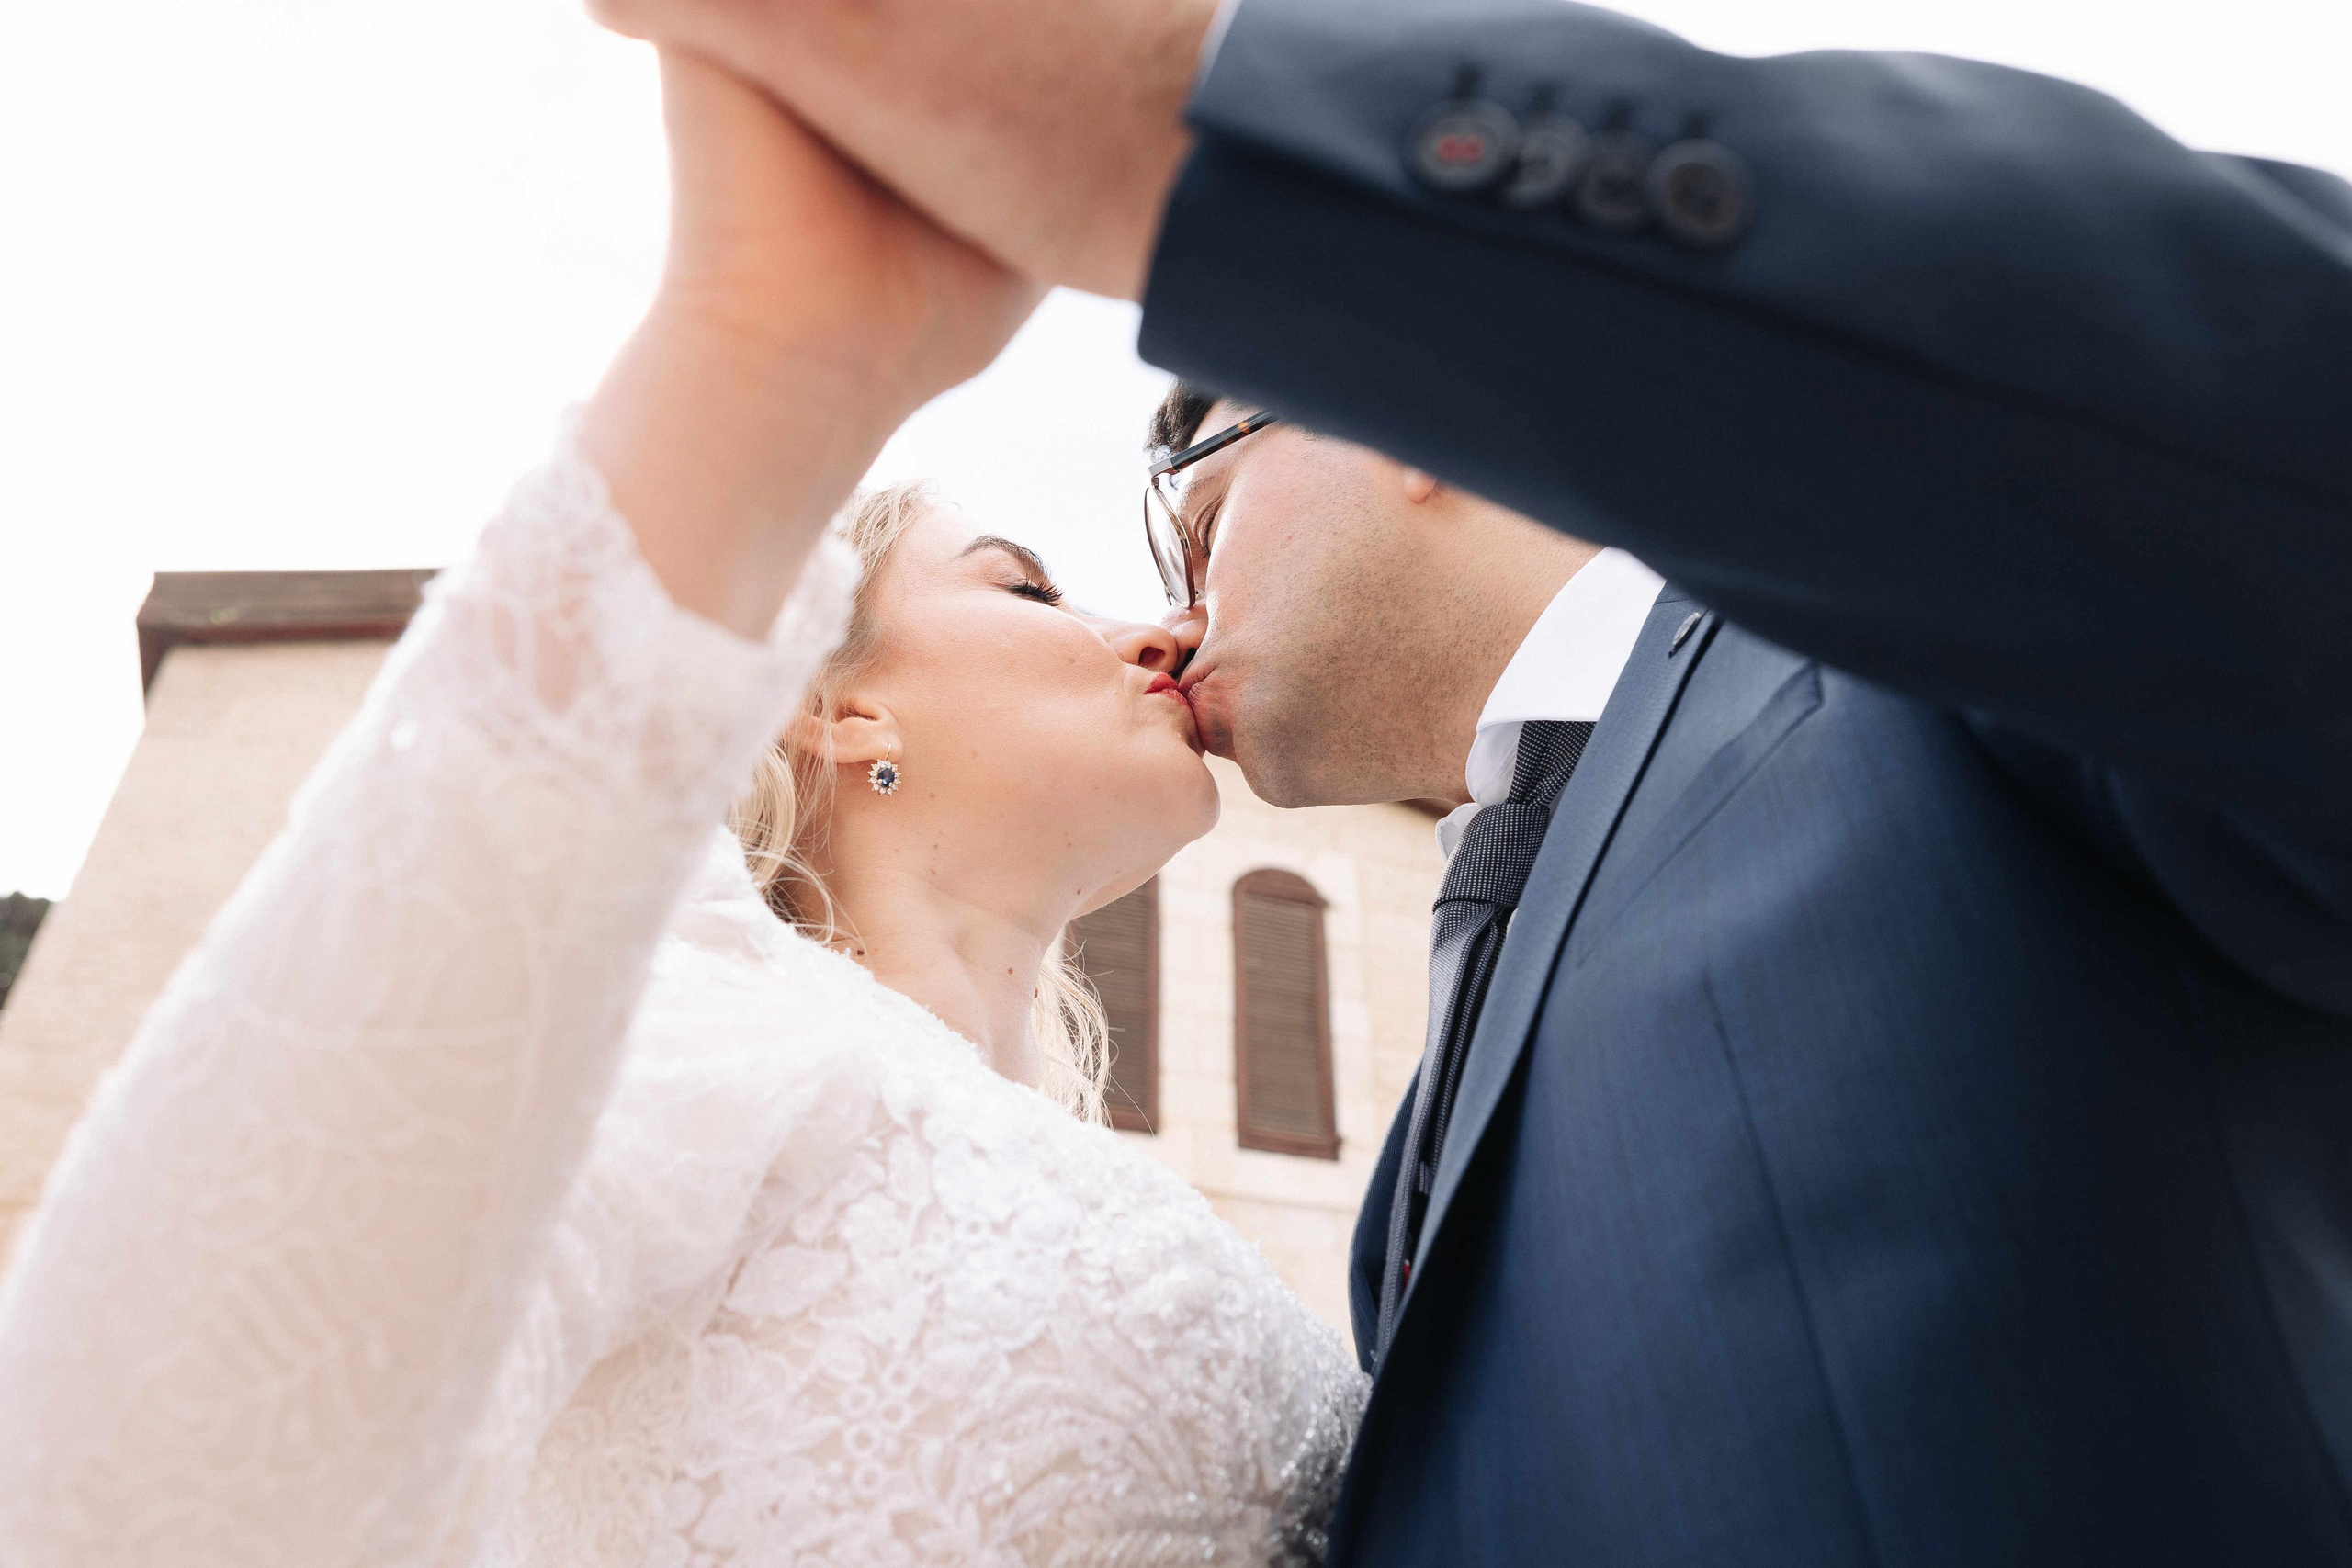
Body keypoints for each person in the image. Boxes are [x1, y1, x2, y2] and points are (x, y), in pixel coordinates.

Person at [582, 0, 2352, 1557]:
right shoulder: (1402, 1193)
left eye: (1191, 507)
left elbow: (2262, 427)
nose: (1168, 618)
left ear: (1391, 398)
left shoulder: (1930, 646)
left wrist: (1200, 108)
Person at [0, 52, 1364, 1566]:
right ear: (842, 714)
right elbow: (190, 1392)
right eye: (1027, 587)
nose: (1154, 635)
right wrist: (763, 354)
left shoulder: (1050, 1161)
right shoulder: (701, 1019)